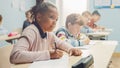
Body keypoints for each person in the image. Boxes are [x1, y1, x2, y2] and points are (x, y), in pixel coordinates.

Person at [10, 2, 82, 64]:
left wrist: (71, 49)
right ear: (39, 17)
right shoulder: (31, 31)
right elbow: (15, 55)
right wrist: (49, 54)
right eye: (51, 17)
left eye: (56, 19)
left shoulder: (48, 33)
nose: (55, 22)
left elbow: (60, 43)